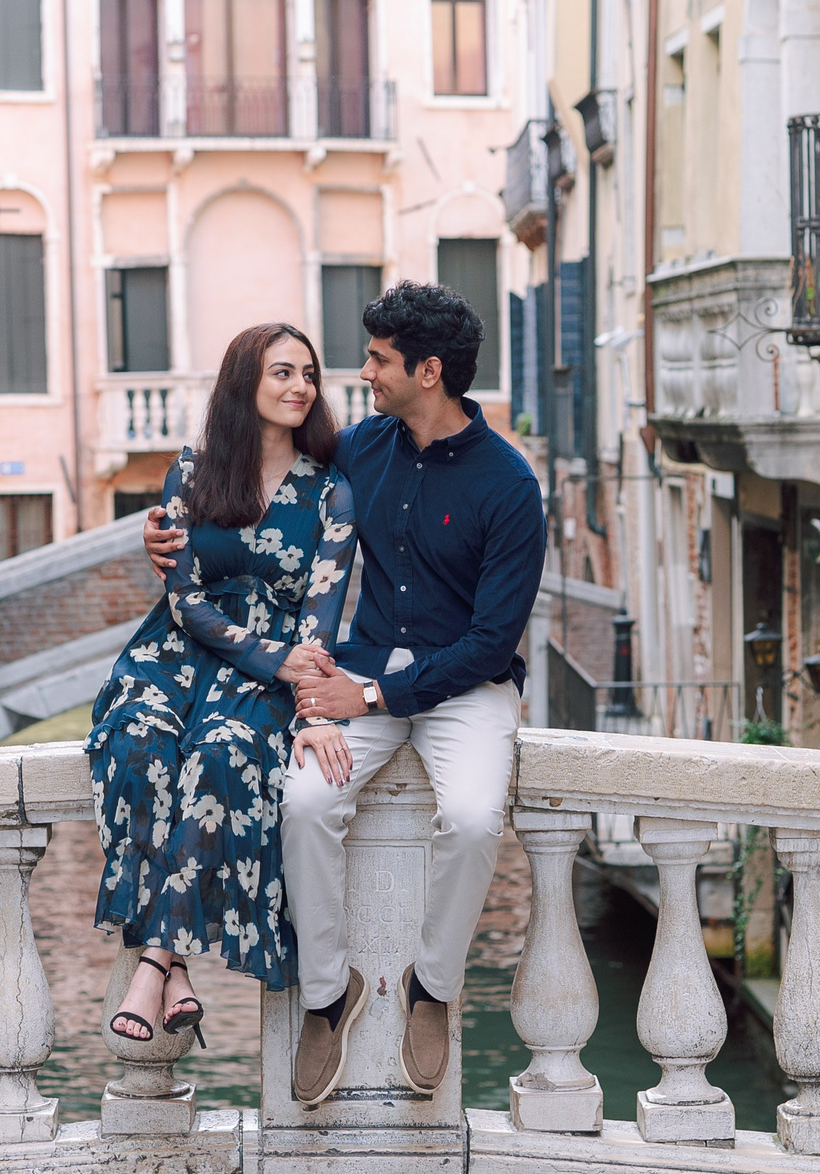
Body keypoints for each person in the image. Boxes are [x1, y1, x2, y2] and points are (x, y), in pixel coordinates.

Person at [145, 282, 543, 1106]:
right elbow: (260, 480)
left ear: (428, 371)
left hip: (465, 685)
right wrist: (166, 528)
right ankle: (329, 994)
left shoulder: (510, 485)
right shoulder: (363, 447)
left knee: (471, 819)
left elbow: (490, 642)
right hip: (359, 670)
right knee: (304, 803)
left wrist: (374, 697)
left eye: (378, 359)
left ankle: (431, 988)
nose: (359, 372)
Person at [90, 322, 358, 1044]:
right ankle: (171, 966)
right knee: (140, 741)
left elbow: (319, 615)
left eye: (308, 373)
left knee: (220, 754)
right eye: (282, 372)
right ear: (245, 382)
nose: (301, 385)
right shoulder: (192, 470)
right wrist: (271, 654)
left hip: (265, 675)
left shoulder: (331, 491)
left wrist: (299, 684)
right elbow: (184, 599)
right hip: (176, 652)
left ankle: (155, 961)